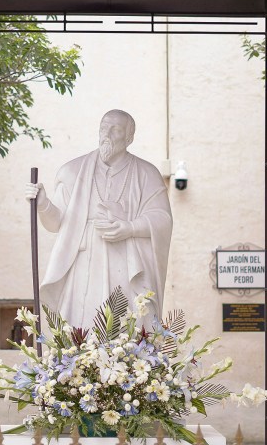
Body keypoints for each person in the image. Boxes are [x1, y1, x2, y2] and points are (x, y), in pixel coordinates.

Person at [25, 109, 173, 329]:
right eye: (104, 127)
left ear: (129, 138)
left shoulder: (146, 173)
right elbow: (56, 223)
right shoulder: (71, 171)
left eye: (116, 129)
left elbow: (162, 218)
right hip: (83, 262)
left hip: (125, 262)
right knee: (81, 325)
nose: (107, 134)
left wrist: (130, 228)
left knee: (125, 326)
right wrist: (43, 204)